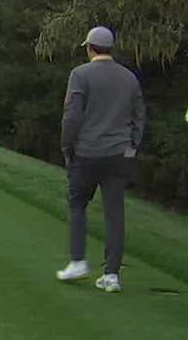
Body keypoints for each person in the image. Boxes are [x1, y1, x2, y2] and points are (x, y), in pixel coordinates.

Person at [54, 26, 145, 293]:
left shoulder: (80, 75)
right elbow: (139, 118)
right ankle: (112, 274)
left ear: (90, 48)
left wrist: (66, 148)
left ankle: (78, 261)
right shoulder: (129, 78)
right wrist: (132, 149)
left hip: (86, 153)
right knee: (115, 213)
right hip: (119, 155)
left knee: (78, 204)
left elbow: (72, 117)